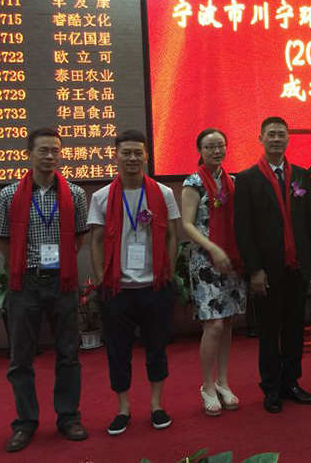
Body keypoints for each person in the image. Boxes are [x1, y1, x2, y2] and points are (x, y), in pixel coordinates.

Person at [0, 128, 89, 452]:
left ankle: (68, 418)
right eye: (43, 150)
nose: (49, 156)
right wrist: (24, 266)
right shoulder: (9, 194)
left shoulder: (75, 194)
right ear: (29, 154)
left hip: (62, 282)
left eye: (55, 151)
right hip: (25, 284)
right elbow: (3, 240)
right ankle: (25, 423)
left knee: (68, 354)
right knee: (21, 358)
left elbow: (79, 237)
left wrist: (61, 265)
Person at [88, 130, 180, 435]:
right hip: (117, 290)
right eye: (125, 153)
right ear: (116, 156)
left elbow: (172, 235)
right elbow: (96, 240)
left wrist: (168, 271)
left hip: (155, 288)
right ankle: (123, 409)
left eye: (137, 152)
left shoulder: (163, 193)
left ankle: (156, 405)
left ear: (146, 156)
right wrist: (101, 277)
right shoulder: (101, 196)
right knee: (118, 353)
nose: (132, 158)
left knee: (157, 349)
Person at [234, 117, 311, 413]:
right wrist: (254, 270)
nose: (276, 139)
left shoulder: (301, 176)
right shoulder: (247, 179)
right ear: (261, 139)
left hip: (297, 266)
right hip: (267, 270)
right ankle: (271, 387)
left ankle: (291, 383)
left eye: (281, 134)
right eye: (271, 134)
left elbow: (310, 221)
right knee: (270, 330)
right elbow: (243, 229)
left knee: (295, 328)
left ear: (288, 139)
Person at [181, 128, 246, 416]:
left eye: (220, 146)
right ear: (200, 151)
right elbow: (187, 224)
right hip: (206, 261)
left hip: (229, 260)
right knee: (214, 326)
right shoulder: (193, 182)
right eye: (210, 147)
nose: (216, 151)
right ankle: (207, 385)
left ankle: (223, 382)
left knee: (228, 322)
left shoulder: (232, 182)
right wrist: (213, 249)